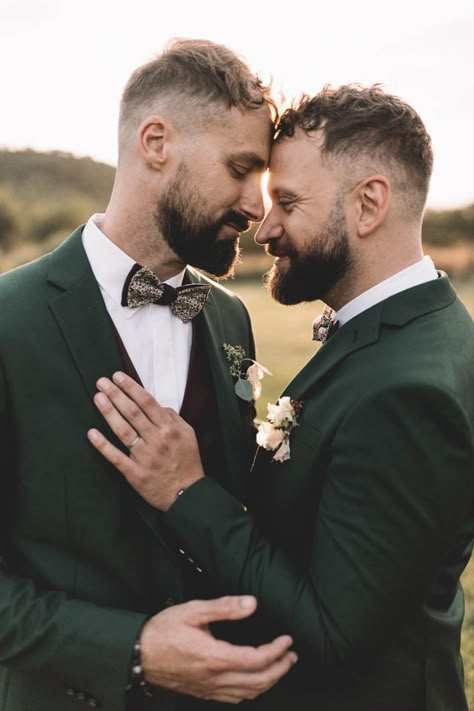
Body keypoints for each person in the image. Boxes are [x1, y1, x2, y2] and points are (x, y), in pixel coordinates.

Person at [89, 84, 474, 711]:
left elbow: (333, 634)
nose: (264, 227)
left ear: (368, 205)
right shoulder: (424, 326)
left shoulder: (407, 391)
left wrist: (187, 491)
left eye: (288, 203)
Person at [0, 39, 299, 711]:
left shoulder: (229, 320)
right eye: (241, 169)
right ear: (156, 141)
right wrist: (131, 648)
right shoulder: (8, 322)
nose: (257, 207)